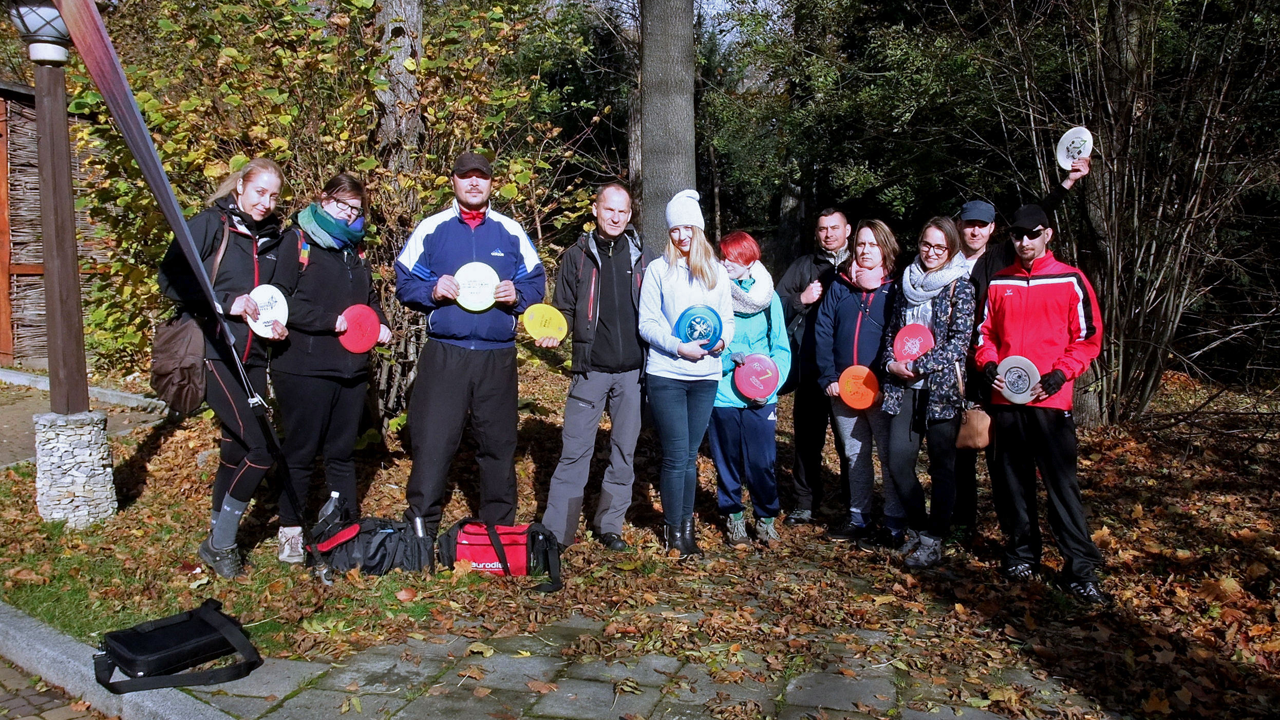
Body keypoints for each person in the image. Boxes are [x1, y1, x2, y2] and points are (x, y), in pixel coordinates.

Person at [394, 152, 546, 545]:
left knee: (498, 445)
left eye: (481, 176)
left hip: (497, 355)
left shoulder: (510, 231)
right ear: (454, 182)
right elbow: (404, 281)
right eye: (466, 177)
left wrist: (518, 294)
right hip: (446, 353)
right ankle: (420, 530)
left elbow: (536, 282)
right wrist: (432, 289)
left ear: (492, 183)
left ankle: (498, 531)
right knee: (433, 442)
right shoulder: (433, 228)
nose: (474, 183)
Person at [158, 158, 288, 578]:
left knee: (235, 451)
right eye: (259, 192)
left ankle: (218, 531)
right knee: (261, 450)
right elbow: (170, 278)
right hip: (213, 351)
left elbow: (269, 296)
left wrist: (275, 322)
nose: (266, 203)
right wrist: (224, 302)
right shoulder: (211, 224)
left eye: (273, 196)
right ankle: (221, 543)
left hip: (254, 356)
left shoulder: (271, 237)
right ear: (239, 188)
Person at [952, 157, 1093, 544]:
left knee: (1046, 477)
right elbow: (976, 330)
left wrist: (1067, 183)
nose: (975, 230)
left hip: (1030, 387)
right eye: (968, 223)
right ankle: (986, 537)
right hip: (972, 377)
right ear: (959, 226)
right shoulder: (953, 262)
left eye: (982, 224)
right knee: (984, 465)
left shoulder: (1010, 262)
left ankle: (1072, 560)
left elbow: (1033, 218)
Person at [975, 203, 1106, 604]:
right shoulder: (999, 281)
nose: (1025, 241)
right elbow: (984, 335)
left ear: (1047, 234)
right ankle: (1021, 555)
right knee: (1011, 482)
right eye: (1018, 235)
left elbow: (1088, 338)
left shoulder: (1071, 279)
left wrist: (1061, 374)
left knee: (1061, 485)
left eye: (1033, 234)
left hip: (1050, 400)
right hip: (1006, 399)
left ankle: (1080, 569)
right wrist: (988, 364)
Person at [270, 173, 392, 563]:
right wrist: (329, 321)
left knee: (342, 452)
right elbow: (278, 301)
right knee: (301, 451)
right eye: (342, 205)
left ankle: (345, 526)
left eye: (356, 209)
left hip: (351, 368)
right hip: (304, 366)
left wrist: (379, 323)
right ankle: (290, 530)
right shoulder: (297, 241)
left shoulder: (355, 250)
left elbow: (368, 298)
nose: (349, 214)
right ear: (323, 200)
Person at [538, 183, 655, 551]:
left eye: (622, 211)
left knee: (623, 453)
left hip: (633, 375)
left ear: (630, 214)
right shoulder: (576, 256)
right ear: (595, 210)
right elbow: (565, 310)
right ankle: (558, 532)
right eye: (609, 210)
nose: (616, 217)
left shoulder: (645, 258)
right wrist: (555, 331)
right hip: (589, 372)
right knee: (575, 452)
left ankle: (609, 526)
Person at [638, 190, 734, 556]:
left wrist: (722, 342)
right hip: (667, 374)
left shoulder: (717, 272)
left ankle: (686, 528)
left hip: (706, 376)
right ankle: (673, 530)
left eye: (687, 228)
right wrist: (678, 347)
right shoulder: (658, 270)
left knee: (690, 455)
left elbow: (727, 320)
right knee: (677, 454)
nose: (681, 236)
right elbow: (647, 323)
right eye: (675, 229)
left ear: (699, 229)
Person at [880, 217, 974, 568]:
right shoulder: (905, 282)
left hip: (941, 390)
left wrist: (920, 364)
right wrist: (890, 363)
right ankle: (920, 530)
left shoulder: (960, 286)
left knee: (942, 468)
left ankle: (934, 539)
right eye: (926, 244)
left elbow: (959, 343)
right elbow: (892, 332)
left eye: (940, 247)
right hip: (904, 388)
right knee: (898, 462)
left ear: (951, 249)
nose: (931, 252)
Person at [813, 220, 901, 545]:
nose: (865, 250)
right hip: (842, 389)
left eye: (873, 245)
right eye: (861, 244)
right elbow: (823, 329)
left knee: (889, 456)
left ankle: (894, 522)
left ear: (885, 248)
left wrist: (886, 384)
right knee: (855, 455)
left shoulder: (896, 288)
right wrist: (828, 376)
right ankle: (858, 517)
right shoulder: (840, 285)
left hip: (880, 392)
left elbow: (899, 338)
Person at [707, 231, 790, 548]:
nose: (726, 262)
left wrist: (771, 386)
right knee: (727, 461)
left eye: (734, 257)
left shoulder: (768, 298)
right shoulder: (713, 294)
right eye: (723, 256)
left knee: (762, 462)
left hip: (760, 397)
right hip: (723, 395)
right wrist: (726, 360)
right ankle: (734, 518)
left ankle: (766, 520)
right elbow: (706, 343)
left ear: (750, 260)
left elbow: (781, 348)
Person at [776, 209, 853, 525]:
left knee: (850, 443)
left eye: (834, 227)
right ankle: (805, 502)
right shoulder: (803, 266)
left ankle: (854, 505)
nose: (829, 234)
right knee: (807, 440)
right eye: (822, 229)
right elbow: (775, 305)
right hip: (810, 369)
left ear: (847, 230)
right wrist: (801, 299)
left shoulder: (858, 264)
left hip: (850, 371)